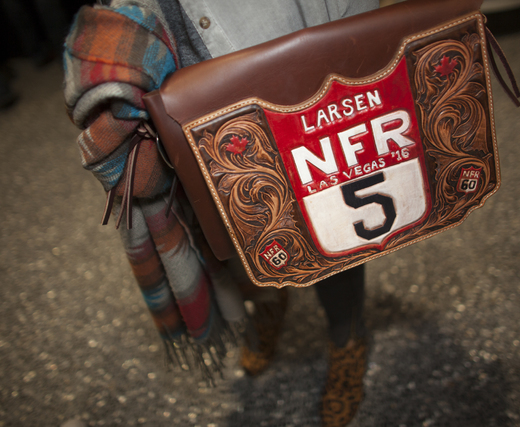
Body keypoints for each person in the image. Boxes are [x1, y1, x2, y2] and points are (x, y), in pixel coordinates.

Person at [63, 1, 381, 425]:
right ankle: (269, 300)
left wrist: (348, 44)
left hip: (286, 61)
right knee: (231, 216)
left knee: (330, 221)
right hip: (181, 68)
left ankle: (347, 339)